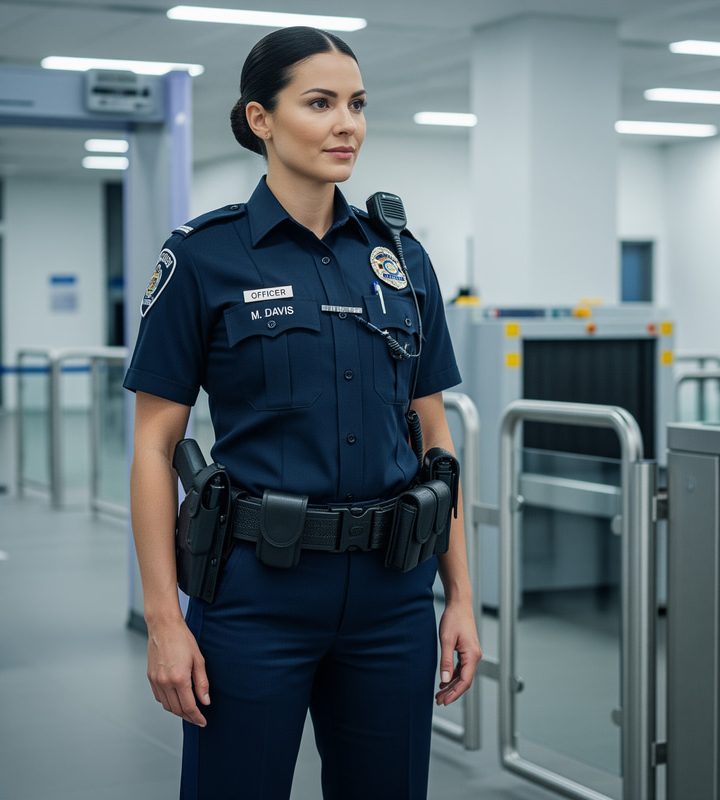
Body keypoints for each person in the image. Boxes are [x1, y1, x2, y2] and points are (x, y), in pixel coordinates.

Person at [124, 25, 481, 800]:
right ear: (261, 119)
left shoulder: (401, 260)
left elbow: (436, 439)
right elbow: (155, 449)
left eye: (356, 103)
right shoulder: (202, 257)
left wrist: (459, 596)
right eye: (319, 103)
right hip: (257, 593)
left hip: (393, 594)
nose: (346, 123)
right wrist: (163, 621)